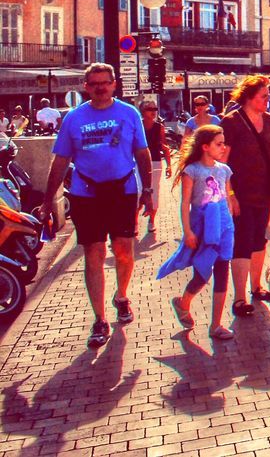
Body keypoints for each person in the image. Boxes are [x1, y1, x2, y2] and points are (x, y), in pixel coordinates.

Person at [40, 63, 154, 349]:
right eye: (94, 83)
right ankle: (100, 319)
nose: (100, 87)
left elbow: (142, 152)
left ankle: (122, 295)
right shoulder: (74, 119)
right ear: (86, 86)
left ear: (114, 84)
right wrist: (46, 201)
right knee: (94, 253)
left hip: (123, 190)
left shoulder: (129, 113)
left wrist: (148, 191)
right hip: (86, 193)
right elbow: (60, 161)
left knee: (124, 251)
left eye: (105, 82)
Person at [219, 75, 270, 316]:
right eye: (263, 96)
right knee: (242, 241)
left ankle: (257, 286)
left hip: (265, 191)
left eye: (268, 95)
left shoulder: (269, 120)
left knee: (260, 239)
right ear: (249, 97)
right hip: (240, 193)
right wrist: (229, 194)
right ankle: (239, 299)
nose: (267, 99)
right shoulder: (231, 123)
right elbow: (222, 162)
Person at [157, 125, 236, 340]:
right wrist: (188, 232)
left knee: (222, 271)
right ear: (205, 146)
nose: (223, 147)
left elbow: (227, 198)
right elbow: (185, 204)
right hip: (202, 227)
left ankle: (216, 325)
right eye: (218, 144)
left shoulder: (224, 170)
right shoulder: (192, 171)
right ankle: (183, 303)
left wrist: (229, 220)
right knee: (202, 273)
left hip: (224, 227)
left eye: (223, 143)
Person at [140, 100, 173, 237]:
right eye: (149, 108)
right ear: (142, 111)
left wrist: (169, 165)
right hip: (138, 163)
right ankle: (134, 223)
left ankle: (152, 221)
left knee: (154, 192)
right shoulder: (138, 125)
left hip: (155, 162)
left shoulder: (158, 127)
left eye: (155, 108)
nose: (153, 111)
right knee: (136, 192)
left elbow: (164, 146)